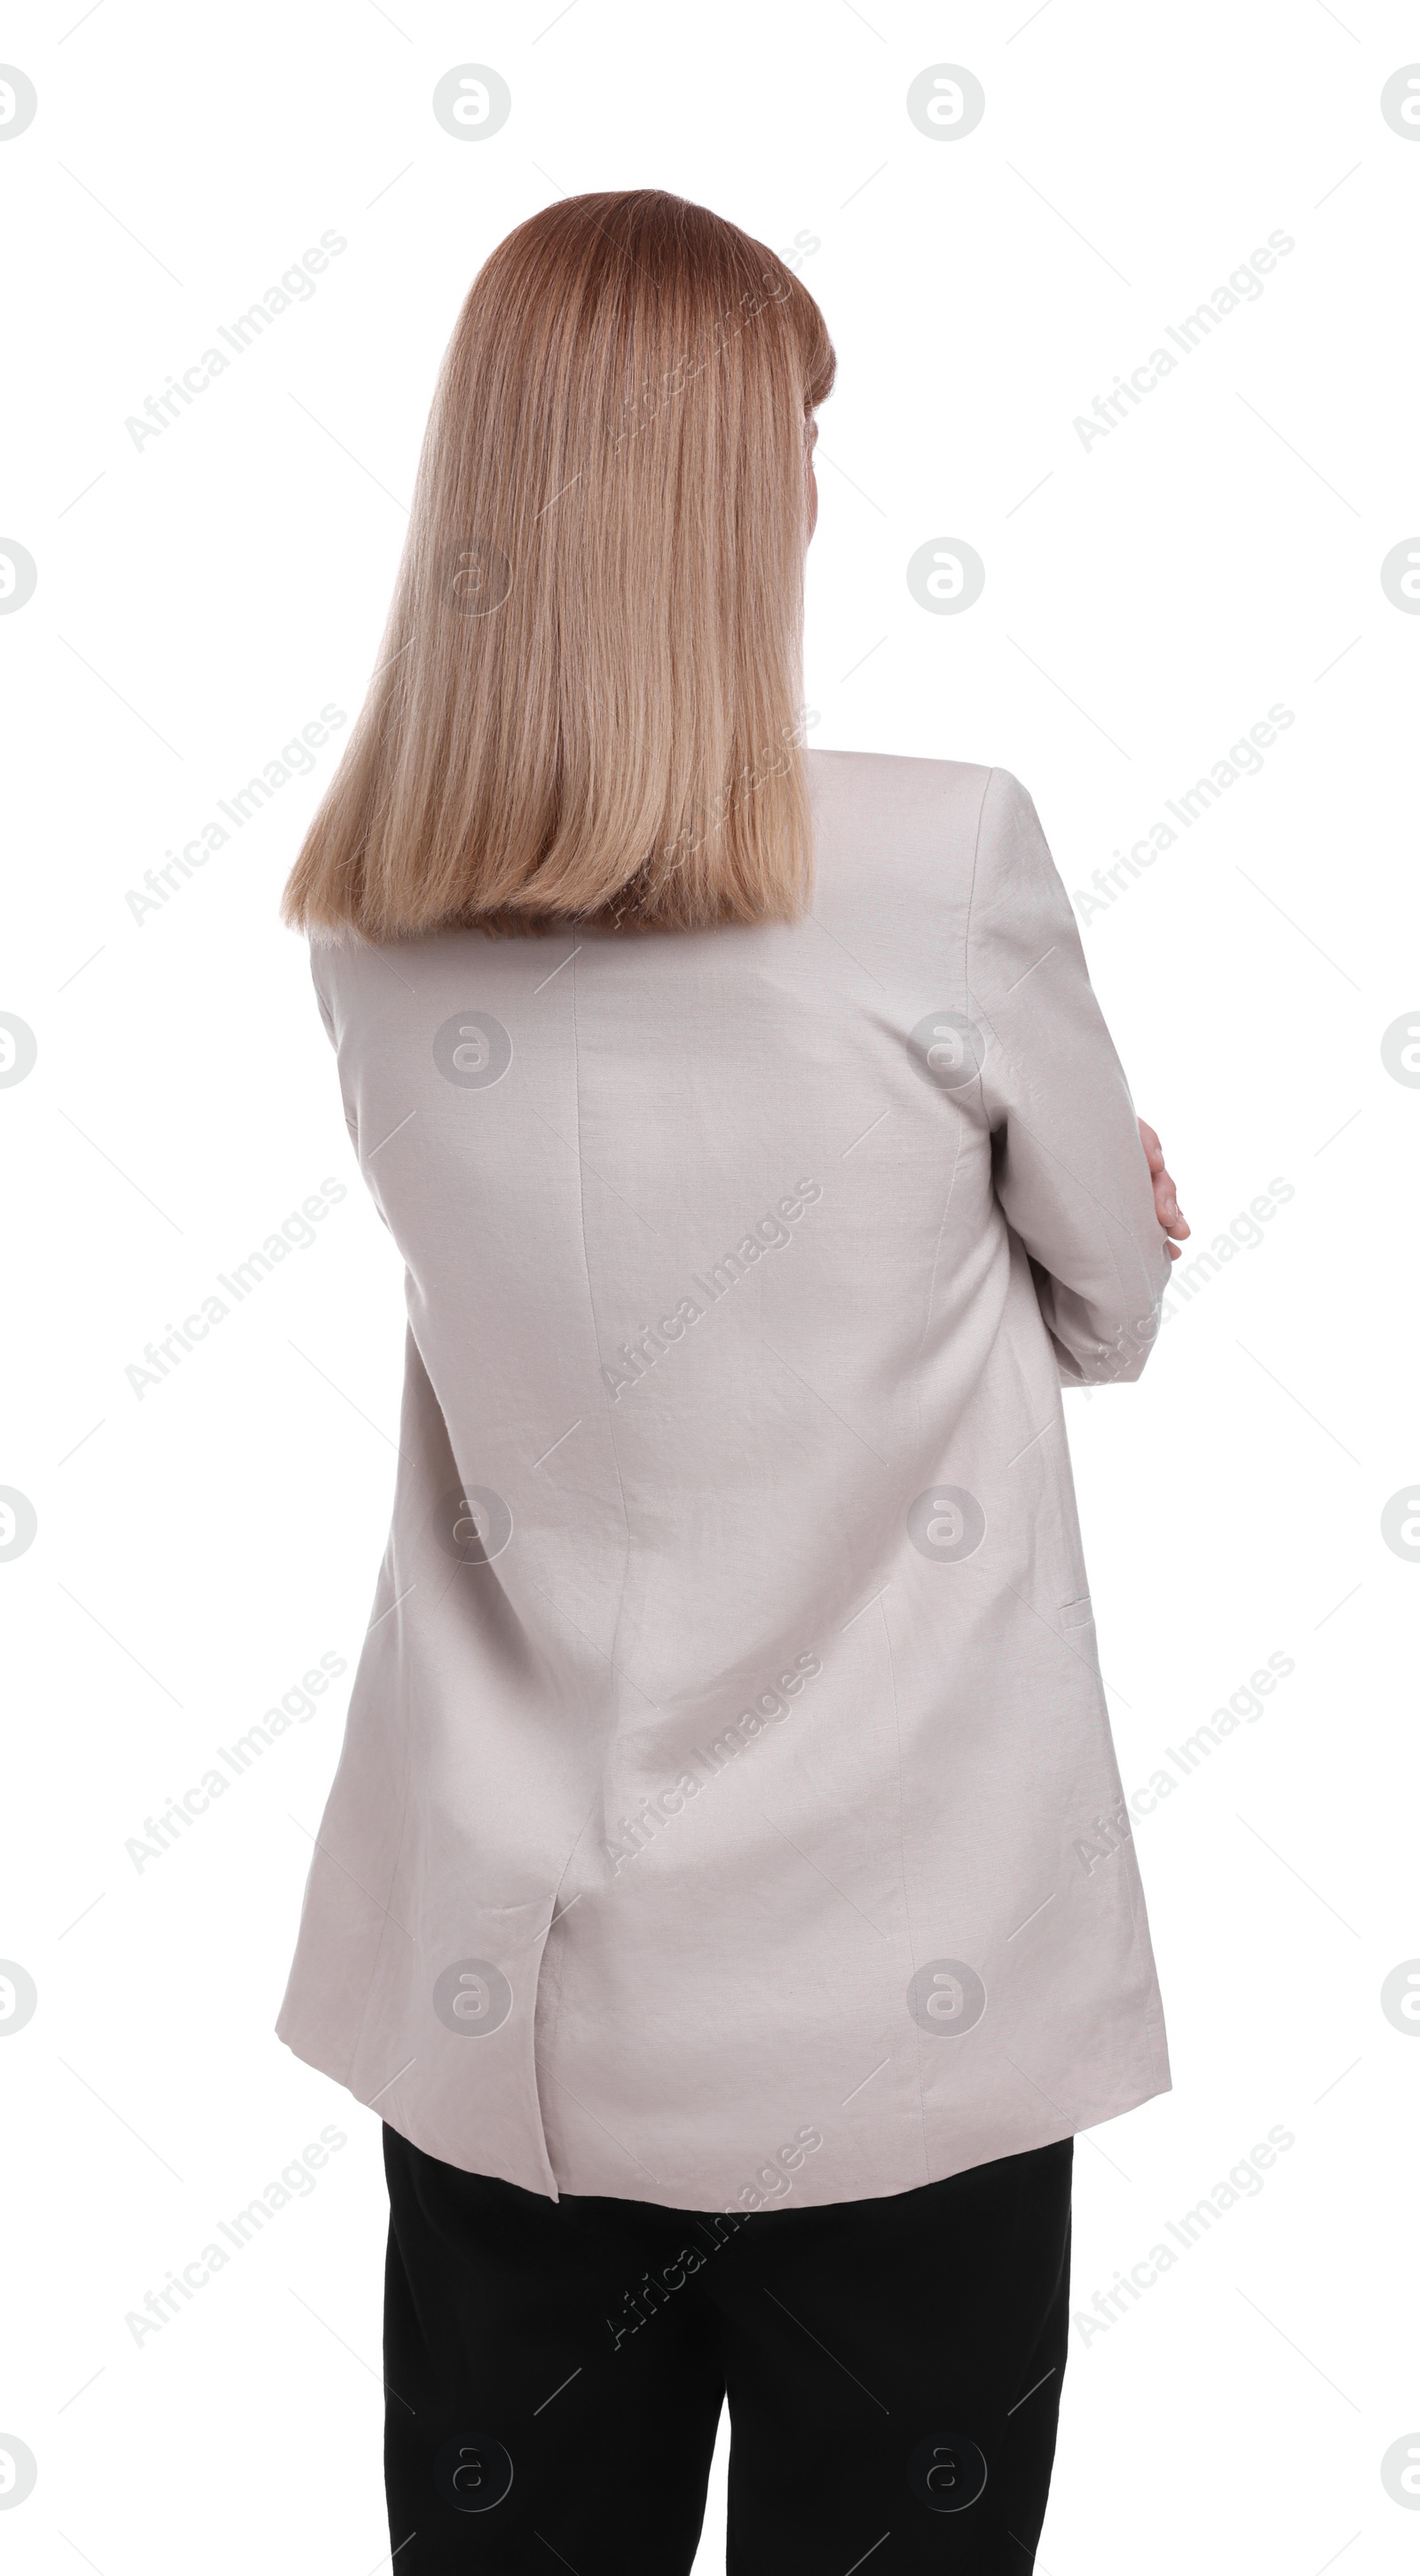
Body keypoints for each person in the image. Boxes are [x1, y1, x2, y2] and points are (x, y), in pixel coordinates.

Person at [278, 188, 1188, 2574]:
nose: (811, 484)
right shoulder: (938, 857)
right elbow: (1111, 1302)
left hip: (510, 2014)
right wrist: (1053, 1195)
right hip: (908, 2009)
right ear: (721, 486)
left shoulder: (373, 930)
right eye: (794, 433)